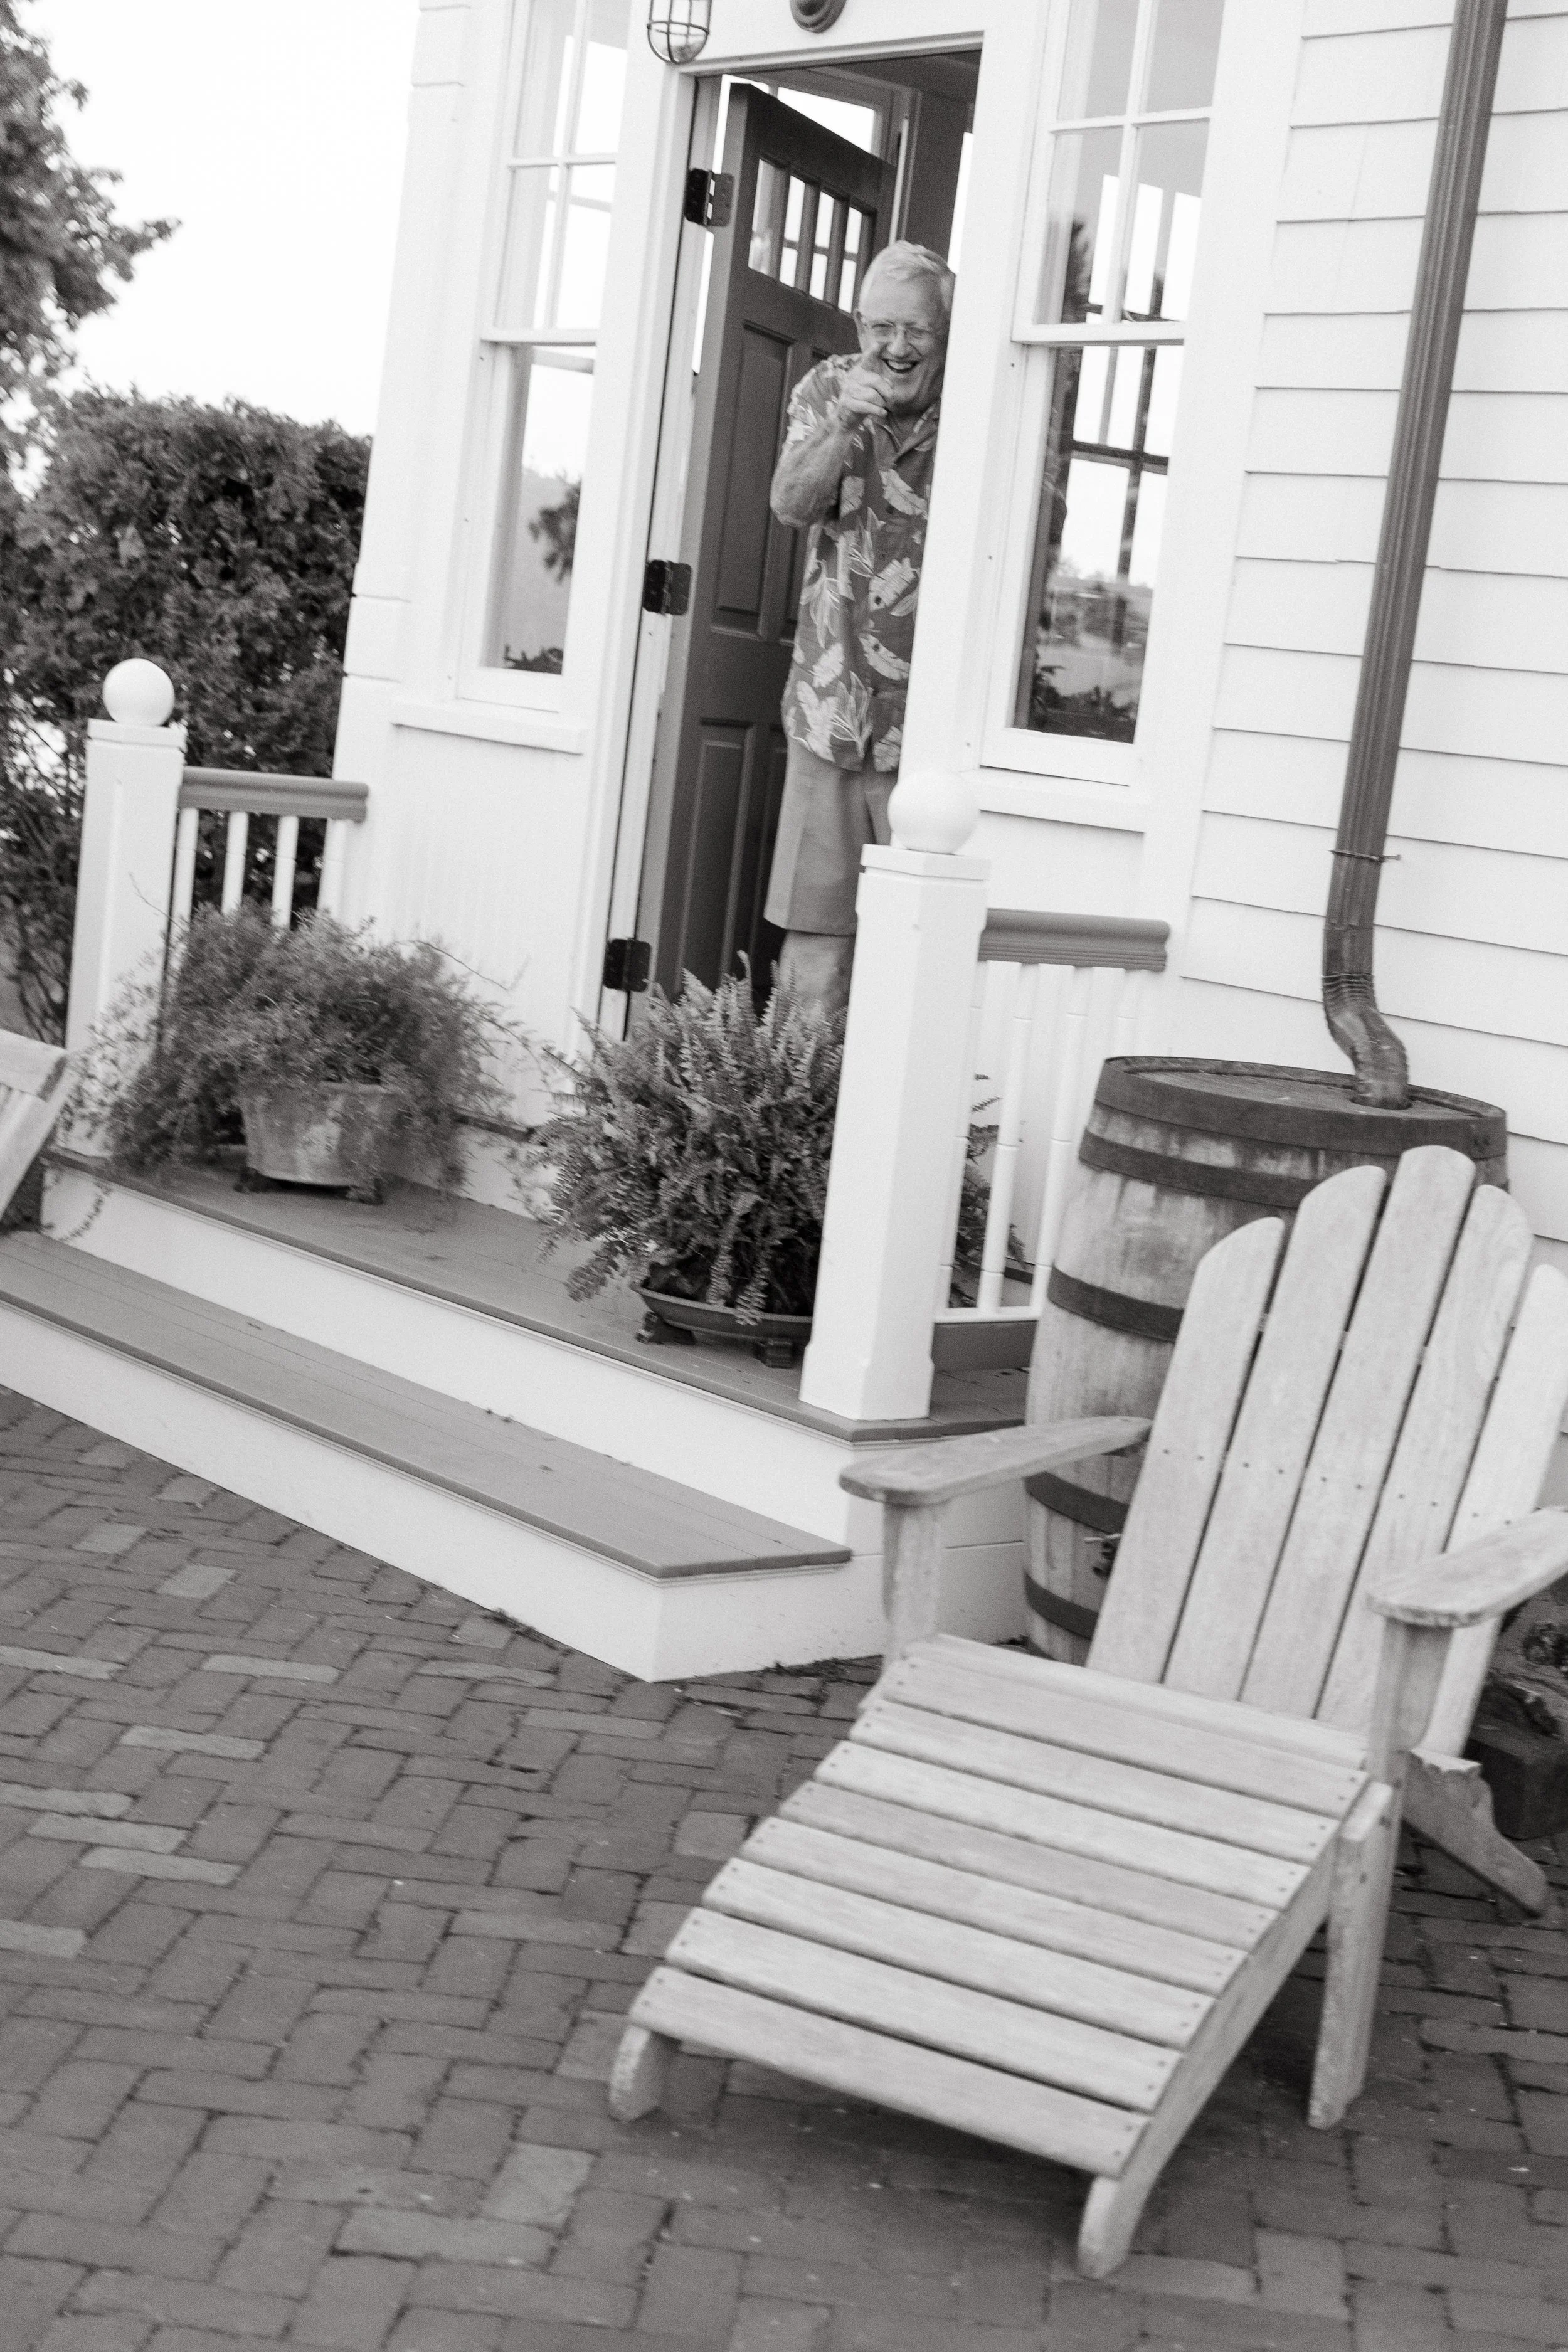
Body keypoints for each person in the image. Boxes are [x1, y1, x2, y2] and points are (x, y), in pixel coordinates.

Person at [764, 240, 954, 1019]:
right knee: (814, 959)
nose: (896, 348)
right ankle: (799, 1132)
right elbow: (789, 504)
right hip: (830, 711)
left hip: (936, 738)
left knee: (922, 958)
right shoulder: (825, 390)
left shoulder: (984, 405)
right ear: (859, 325)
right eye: (880, 328)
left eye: (916, 331)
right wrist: (843, 427)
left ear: (947, 333)